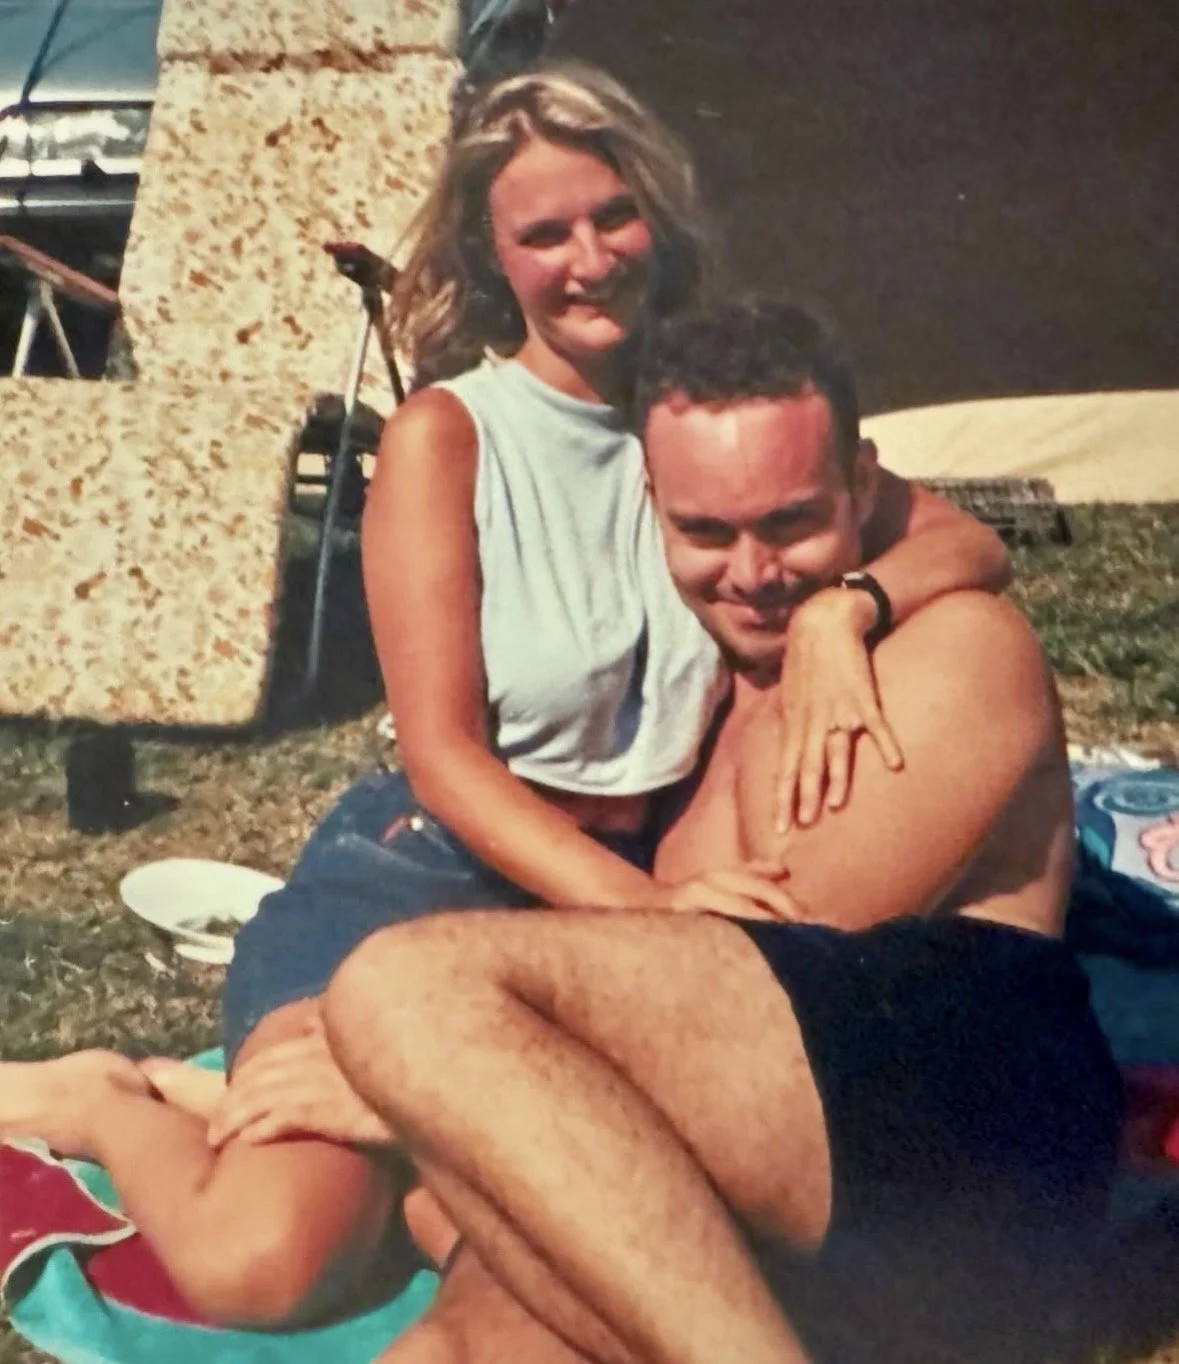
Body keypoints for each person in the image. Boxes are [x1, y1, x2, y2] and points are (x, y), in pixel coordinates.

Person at [0, 66, 1009, 1330]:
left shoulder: (708, 418)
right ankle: (105, 1096)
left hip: (617, 890)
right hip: (426, 878)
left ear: (658, 217)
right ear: (492, 253)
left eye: (613, 216)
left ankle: (401, 1132)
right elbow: (444, 757)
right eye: (545, 232)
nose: (588, 259)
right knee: (270, 1264)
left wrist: (840, 609)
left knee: (581, 1211)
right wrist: (653, 924)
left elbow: (969, 541)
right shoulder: (448, 437)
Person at [317, 300, 1124, 1364]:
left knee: (403, 992)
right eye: (705, 532)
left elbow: (799, 950)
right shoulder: (688, 707)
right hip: (771, 1176)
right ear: (654, 506)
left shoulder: (955, 650)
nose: (752, 573)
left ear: (862, 486)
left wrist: (425, 1086)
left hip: (967, 1128)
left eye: (791, 523)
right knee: (444, 1351)